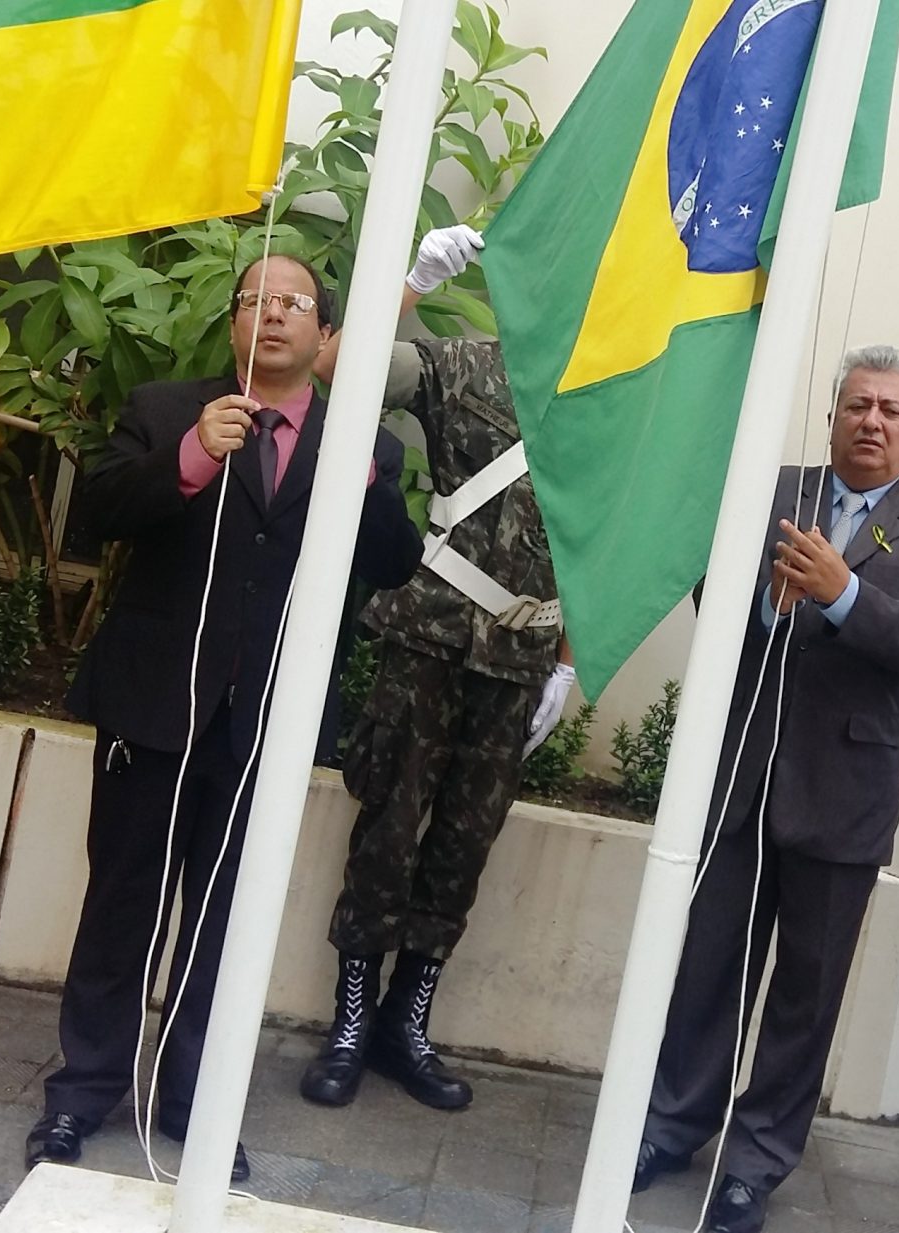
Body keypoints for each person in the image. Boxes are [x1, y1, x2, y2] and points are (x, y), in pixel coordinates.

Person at [24, 256, 424, 1178]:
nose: (273, 315)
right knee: (122, 903)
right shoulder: (168, 409)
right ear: (235, 323)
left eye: (294, 304)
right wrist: (193, 457)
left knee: (223, 921)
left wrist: (366, 483)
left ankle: (190, 1098)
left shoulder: (363, 441)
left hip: (268, 731)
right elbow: (100, 512)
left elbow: (393, 564)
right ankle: (83, 1089)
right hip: (153, 707)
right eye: (256, 301)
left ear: (325, 334)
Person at [631, 346, 899, 1233]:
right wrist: (765, 604)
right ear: (831, 418)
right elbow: (706, 588)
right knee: (708, 969)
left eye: (890, 411)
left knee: (805, 998)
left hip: (845, 797)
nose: (871, 421)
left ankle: (755, 1162)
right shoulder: (771, 489)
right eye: (857, 404)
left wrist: (844, 592)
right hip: (744, 782)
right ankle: (673, 1123)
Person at [299, 225, 574, 1113]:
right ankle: (351, 1020)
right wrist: (408, 285)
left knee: (463, 845)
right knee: (389, 828)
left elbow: (604, 551)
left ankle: (403, 1022)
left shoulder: (611, 411)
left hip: (519, 661)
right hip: (430, 636)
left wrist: (567, 664)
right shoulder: (459, 366)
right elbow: (336, 368)